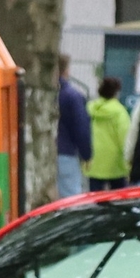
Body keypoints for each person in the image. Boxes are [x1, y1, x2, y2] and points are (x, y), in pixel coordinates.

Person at [54, 54, 90, 199]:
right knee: (70, 199)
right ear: (66, 70)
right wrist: (86, 154)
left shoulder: (48, 93)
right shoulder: (73, 96)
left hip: (51, 150)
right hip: (67, 153)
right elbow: (81, 128)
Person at [85, 76, 130, 190]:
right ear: (116, 92)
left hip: (95, 160)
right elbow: (124, 138)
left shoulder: (90, 108)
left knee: (95, 199)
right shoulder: (120, 111)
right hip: (116, 163)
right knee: (120, 199)